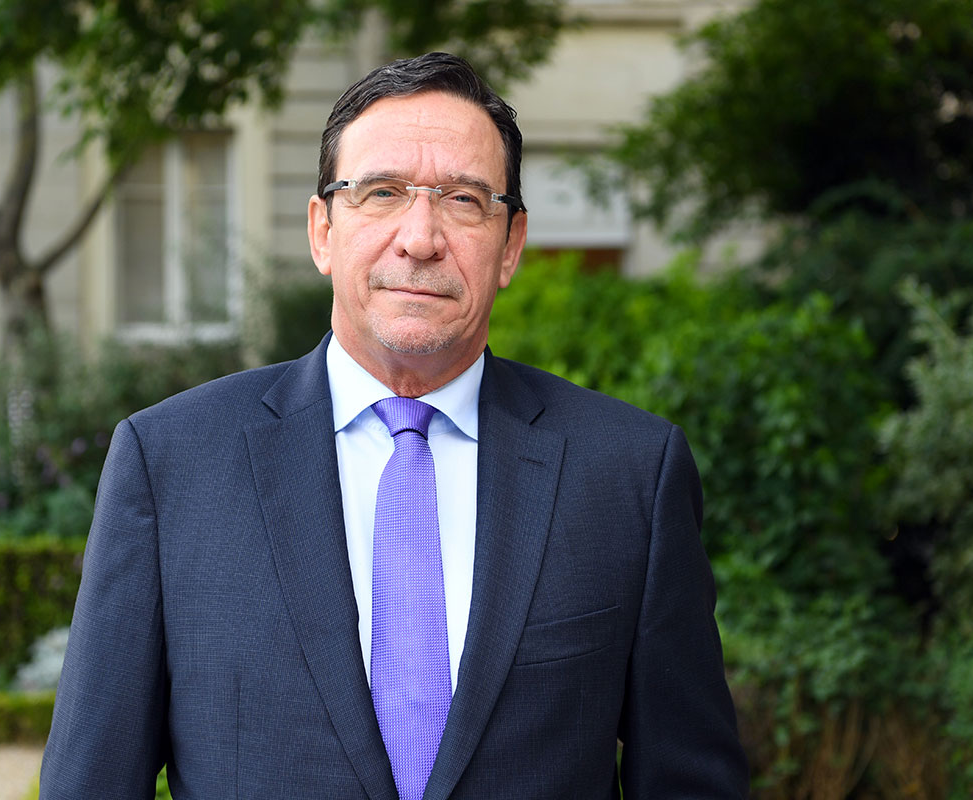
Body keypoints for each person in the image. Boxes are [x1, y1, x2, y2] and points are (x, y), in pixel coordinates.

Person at [40, 52, 748, 799]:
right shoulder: (172, 462)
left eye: (464, 200)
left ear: (510, 246)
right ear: (322, 230)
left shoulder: (629, 473)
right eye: (381, 193)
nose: (420, 237)